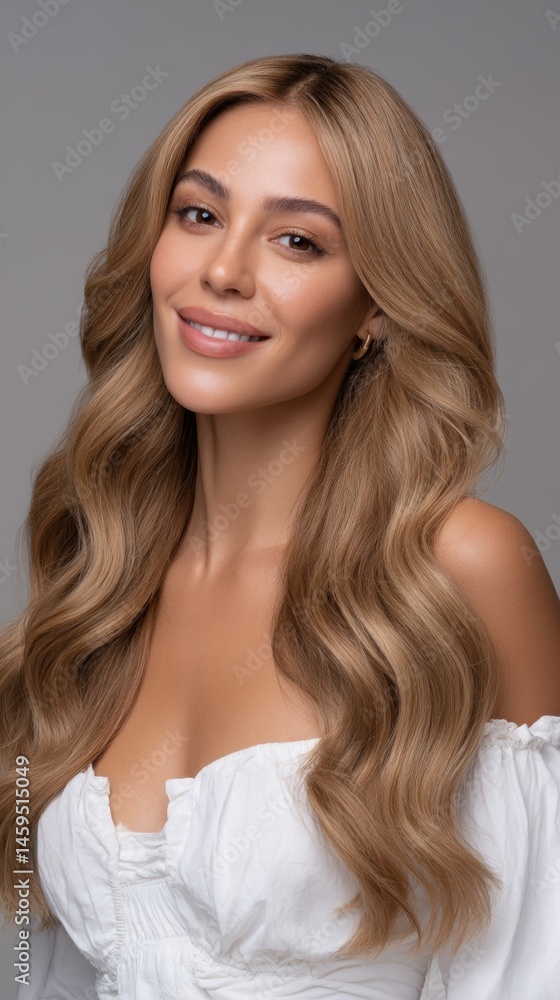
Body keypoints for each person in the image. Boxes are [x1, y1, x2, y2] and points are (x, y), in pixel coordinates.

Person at [1, 52, 559, 1000]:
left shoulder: (463, 567)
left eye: (297, 242)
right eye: (200, 214)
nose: (222, 270)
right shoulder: (101, 579)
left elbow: (531, 967)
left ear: (375, 309)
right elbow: (42, 964)